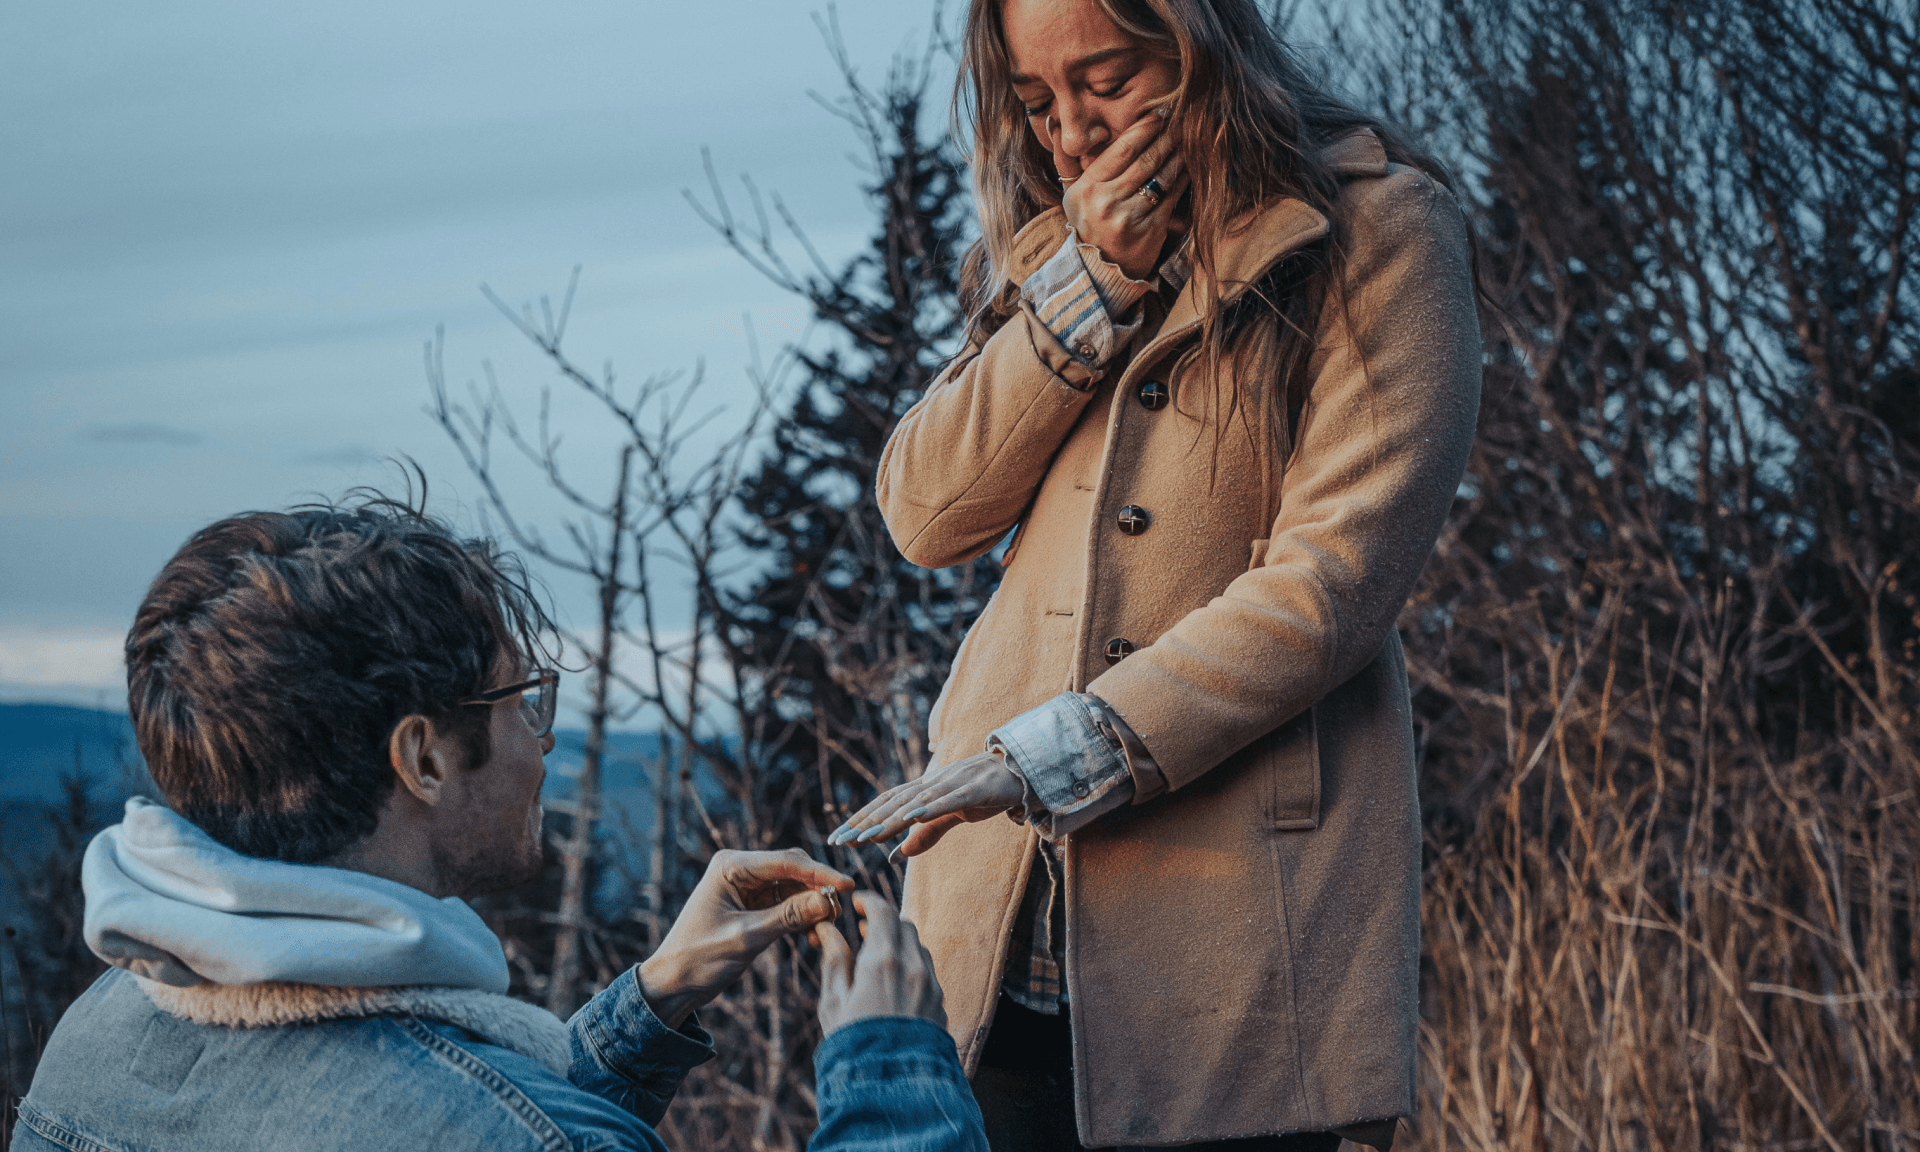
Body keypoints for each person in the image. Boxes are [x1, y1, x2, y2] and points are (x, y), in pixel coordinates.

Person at [828, 0, 1482, 1148]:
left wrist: (1053, 751)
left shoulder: (1384, 232)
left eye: (1111, 80)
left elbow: (1332, 586)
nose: (1072, 135)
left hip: (1236, 938)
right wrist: (1091, 286)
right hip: (998, 926)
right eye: (1037, 102)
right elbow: (925, 513)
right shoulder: (1055, 255)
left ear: (1205, 47)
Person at [15, 499, 986, 1152]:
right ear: (424, 758)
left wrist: (648, 1007)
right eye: (521, 702)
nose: (540, 745)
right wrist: (889, 1069)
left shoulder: (98, 1031)